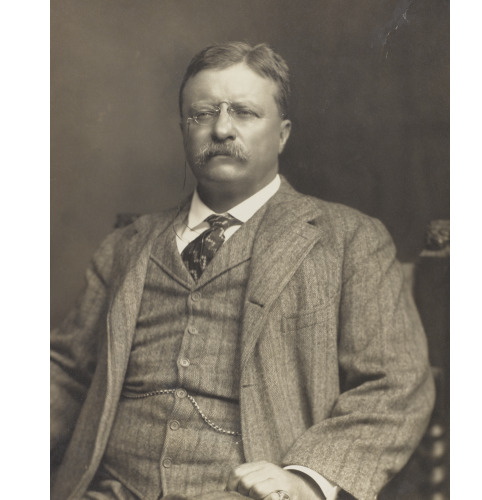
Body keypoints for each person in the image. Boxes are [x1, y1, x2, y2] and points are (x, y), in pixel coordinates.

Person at [51, 42, 435, 500]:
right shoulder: (125, 247)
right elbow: (66, 374)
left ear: (283, 134)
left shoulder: (350, 240)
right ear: (183, 130)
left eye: (245, 112)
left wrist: (306, 476)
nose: (221, 128)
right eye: (202, 114)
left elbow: (396, 385)